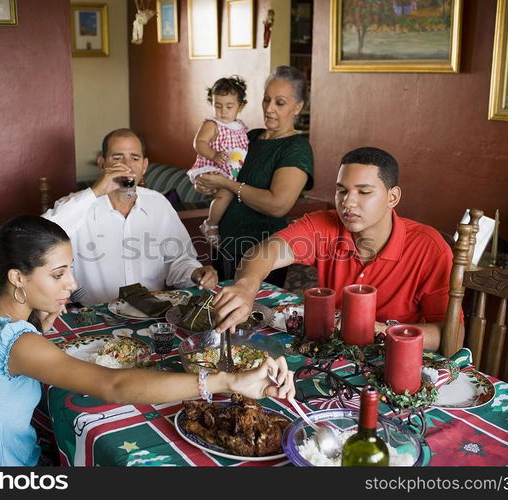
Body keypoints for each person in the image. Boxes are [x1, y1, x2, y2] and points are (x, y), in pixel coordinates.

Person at [0, 215, 294, 466]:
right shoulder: (17, 344)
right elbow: (114, 384)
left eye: (70, 268)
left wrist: (41, 328)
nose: (71, 284)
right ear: (17, 277)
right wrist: (225, 379)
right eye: (58, 274)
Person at [211, 147, 459, 352]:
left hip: (397, 363)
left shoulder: (429, 247)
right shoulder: (325, 224)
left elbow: (452, 336)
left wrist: (380, 331)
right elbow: (266, 251)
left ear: (392, 197)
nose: (348, 203)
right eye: (342, 191)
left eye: (363, 192)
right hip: (336, 354)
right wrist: (246, 286)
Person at [43, 128, 217, 305]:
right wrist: (96, 191)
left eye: (135, 158)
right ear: (103, 164)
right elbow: (39, 235)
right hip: (95, 316)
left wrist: (195, 273)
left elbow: (179, 260)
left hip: (151, 312)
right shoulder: (80, 205)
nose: (127, 165)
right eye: (117, 158)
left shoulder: (159, 204)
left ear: (144, 166)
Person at [194, 66, 314, 288]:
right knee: (220, 311)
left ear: (298, 107)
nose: (269, 108)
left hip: (262, 252)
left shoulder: (296, 148)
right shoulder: (250, 137)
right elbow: (222, 170)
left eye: (279, 102)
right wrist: (208, 183)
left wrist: (227, 184)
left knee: (255, 317)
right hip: (224, 244)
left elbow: (277, 205)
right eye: (266, 99)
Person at [187, 76, 250, 247]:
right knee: (225, 194)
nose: (223, 111)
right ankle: (211, 224)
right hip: (212, 166)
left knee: (231, 195)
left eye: (229, 106)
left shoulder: (241, 127)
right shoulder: (212, 124)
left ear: (240, 106)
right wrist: (214, 154)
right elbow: (198, 143)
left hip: (232, 172)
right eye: (218, 105)